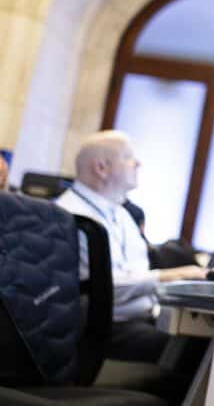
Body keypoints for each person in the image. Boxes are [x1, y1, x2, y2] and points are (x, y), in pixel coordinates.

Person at [56, 130, 205, 363]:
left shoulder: (121, 213)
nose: (138, 164)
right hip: (104, 328)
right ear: (102, 167)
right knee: (194, 348)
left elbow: (136, 273)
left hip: (139, 318)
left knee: (199, 339)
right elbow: (107, 288)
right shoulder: (71, 216)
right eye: (128, 157)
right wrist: (171, 276)